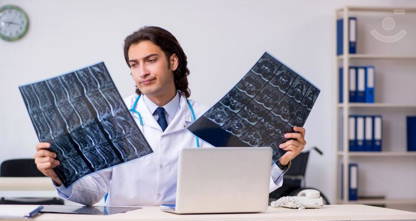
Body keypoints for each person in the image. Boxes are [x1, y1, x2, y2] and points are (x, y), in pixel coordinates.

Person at [34, 26, 307, 207]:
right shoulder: (113, 120)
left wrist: (280, 162)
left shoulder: (208, 120)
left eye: (150, 60)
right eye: (134, 64)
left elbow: (241, 185)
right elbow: (92, 192)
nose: (142, 71)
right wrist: (59, 174)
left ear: (172, 62)